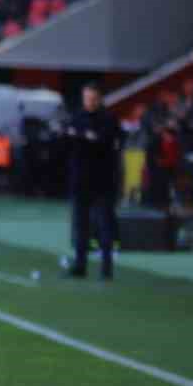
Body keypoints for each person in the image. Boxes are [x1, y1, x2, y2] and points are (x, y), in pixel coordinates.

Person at [64, 83, 121, 280]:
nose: (90, 102)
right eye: (87, 98)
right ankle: (80, 265)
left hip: (103, 180)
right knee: (80, 225)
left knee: (105, 225)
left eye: (93, 98)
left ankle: (107, 268)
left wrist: (83, 137)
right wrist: (86, 138)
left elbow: (103, 142)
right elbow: (70, 141)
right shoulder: (76, 117)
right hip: (80, 179)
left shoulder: (109, 119)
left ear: (99, 98)